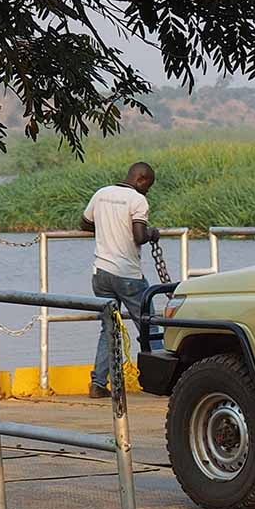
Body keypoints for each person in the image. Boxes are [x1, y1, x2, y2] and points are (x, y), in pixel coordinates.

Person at [79, 161, 160, 398]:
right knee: (149, 326)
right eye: (148, 185)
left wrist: (107, 229)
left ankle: (98, 383)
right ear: (141, 180)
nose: (148, 190)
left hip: (101, 273)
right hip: (128, 275)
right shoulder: (138, 200)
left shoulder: (101, 194)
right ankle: (161, 381)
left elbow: (84, 224)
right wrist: (152, 233)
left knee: (109, 329)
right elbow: (139, 236)